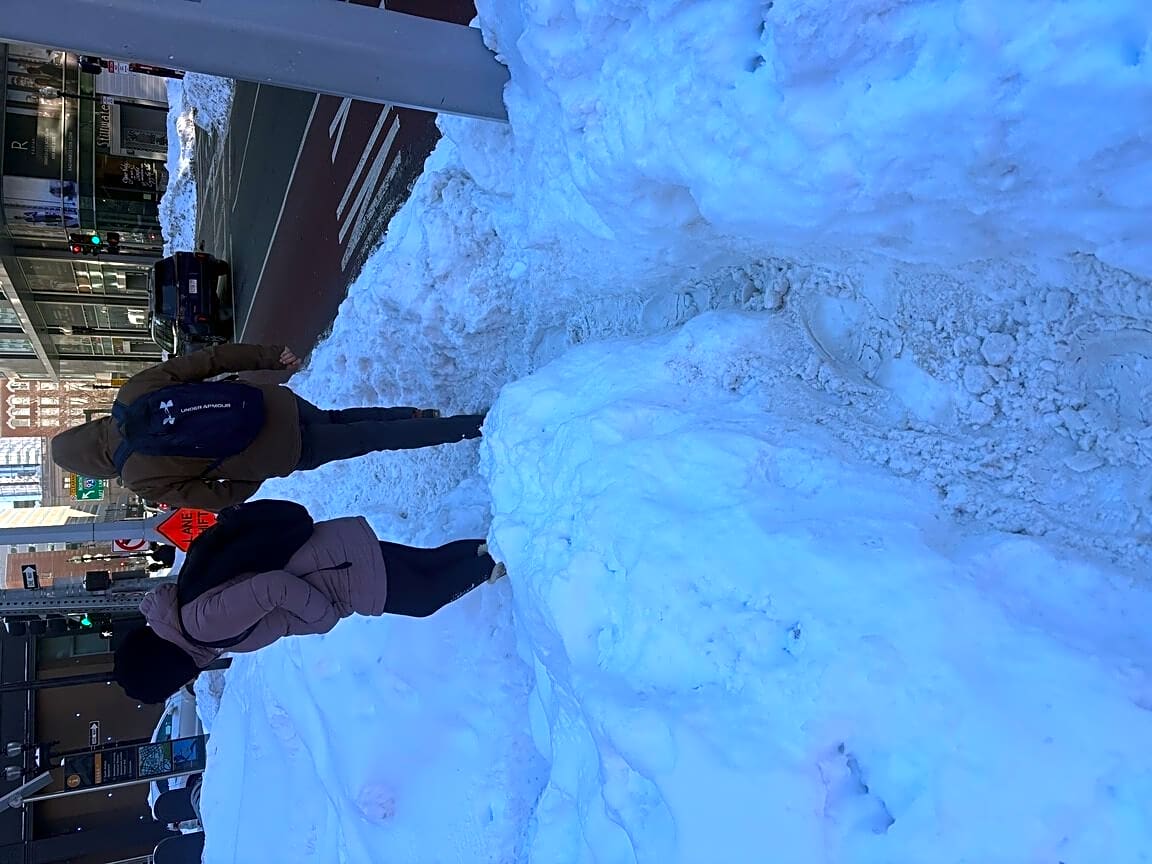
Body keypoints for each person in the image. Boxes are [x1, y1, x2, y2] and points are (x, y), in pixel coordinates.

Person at [113, 499, 506, 704]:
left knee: (425, 598)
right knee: (428, 565)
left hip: (339, 573)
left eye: (171, 684)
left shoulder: (202, 626)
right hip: (331, 556)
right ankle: (496, 547)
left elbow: (272, 587)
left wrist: (322, 618)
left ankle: (504, 561)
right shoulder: (187, 621)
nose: (184, 683)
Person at [49, 343, 485, 511]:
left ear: (93, 467)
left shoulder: (139, 478)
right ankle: (419, 417)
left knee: (369, 440)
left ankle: (470, 427)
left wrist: (255, 471)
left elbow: (217, 498)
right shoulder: (131, 395)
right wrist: (269, 358)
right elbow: (208, 361)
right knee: (338, 420)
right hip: (269, 403)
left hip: (279, 452)